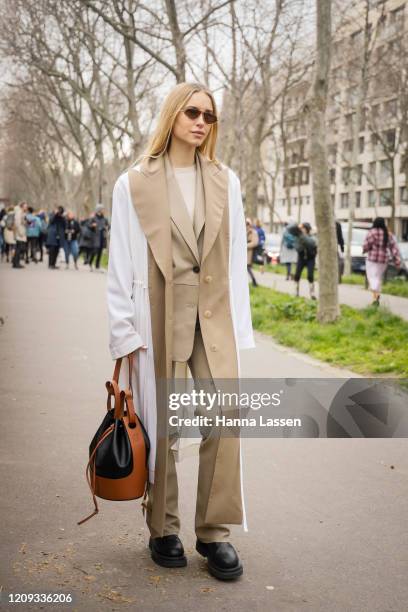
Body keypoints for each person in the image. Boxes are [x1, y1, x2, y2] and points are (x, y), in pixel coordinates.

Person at [107, 82, 255, 581]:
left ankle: (214, 533)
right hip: (159, 314)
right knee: (163, 425)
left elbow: (236, 258)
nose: (200, 122)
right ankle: (162, 527)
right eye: (192, 112)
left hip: (212, 315)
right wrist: (124, 332)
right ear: (172, 115)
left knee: (224, 416)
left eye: (209, 116)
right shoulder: (134, 182)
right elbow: (121, 261)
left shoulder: (224, 180)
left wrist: (240, 326)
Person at [362, 217, 401, 306]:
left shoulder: (372, 232)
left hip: (372, 258)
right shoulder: (388, 234)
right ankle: (375, 298)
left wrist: (364, 250)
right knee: (378, 278)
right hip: (384, 259)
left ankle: (376, 295)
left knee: (371, 277)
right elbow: (394, 248)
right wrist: (397, 260)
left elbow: (366, 245)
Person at [293, 222, 318, 299]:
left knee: (310, 276)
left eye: (303, 228)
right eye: (301, 228)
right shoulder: (298, 237)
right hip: (301, 258)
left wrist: (304, 238)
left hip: (310, 258)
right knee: (297, 275)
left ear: (307, 229)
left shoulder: (312, 237)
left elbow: (312, 243)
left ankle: (312, 293)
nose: (302, 230)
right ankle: (296, 292)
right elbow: (297, 247)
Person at [88, 204, 110, 271]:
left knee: (100, 252)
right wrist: (92, 225)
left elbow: (109, 226)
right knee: (94, 251)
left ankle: (97, 266)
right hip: (95, 237)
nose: (103, 210)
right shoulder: (93, 218)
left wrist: (107, 227)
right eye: (102, 209)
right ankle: (90, 263)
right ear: (99, 210)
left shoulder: (105, 219)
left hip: (102, 237)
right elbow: (88, 225)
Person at [12, 201, 28, 269]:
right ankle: (16, 263)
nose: (26, 207)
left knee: (18, 248)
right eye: (25, 206)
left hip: (21, 232)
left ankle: (15, 262)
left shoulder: (22, 213)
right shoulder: (19, 213)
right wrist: (20, 232)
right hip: (20, 233)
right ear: (22, 206)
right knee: (19, 248)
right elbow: (17, 223)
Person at [246, 218, 259, 287]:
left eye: (248, 224)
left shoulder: (254, 232)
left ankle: (254, 281)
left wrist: (245, 246)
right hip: (244, 253)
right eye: (246, 224)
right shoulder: (244, 232)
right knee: (246, 268)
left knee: (247, 268)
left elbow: (255, 242)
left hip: (250, 253)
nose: (247, 225)